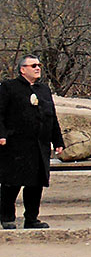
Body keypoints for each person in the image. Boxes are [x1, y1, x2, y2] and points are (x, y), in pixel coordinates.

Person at [0, 54, 64, 229]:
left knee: (36, 184)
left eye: (39, 65)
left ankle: (31, 218)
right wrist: (2, 134)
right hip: (15, 144)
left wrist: (57, 140)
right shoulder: (9, 87)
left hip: (39, 145)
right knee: (12, 182)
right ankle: (7, 217)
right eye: (33, 65)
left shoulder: (43, 89)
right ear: (22, 70)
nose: (37, 68)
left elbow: (52, 116)